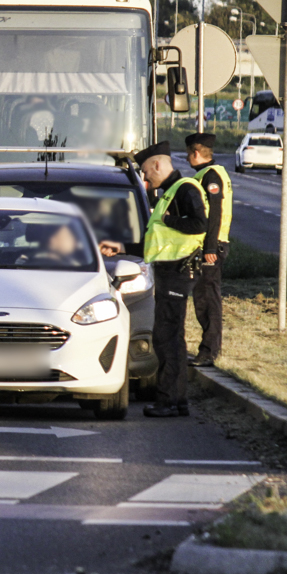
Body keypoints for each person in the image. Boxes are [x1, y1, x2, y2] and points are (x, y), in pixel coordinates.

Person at [101, 141, 207, 418]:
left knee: (167, 338)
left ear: (158, 164)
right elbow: (155, 242)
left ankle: (168, 401)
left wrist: (171, 221)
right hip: (170, 273)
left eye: (146, 172)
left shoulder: (184, 189)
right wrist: (122, 247)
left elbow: (199, 224)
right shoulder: (170, 192)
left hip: (178, 273)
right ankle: (178, 400)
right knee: (170, 338)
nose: (145, 177)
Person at [186, 132, 232, 367]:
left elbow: (215, 213)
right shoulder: (213, 173)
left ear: (196, 153)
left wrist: (209, 248)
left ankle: (209, 351)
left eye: (188, 153)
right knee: (205, 297)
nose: (186, 158)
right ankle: (210, 348)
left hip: (212, 246)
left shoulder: (210, 176)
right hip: (212, 244)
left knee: (207, 299)